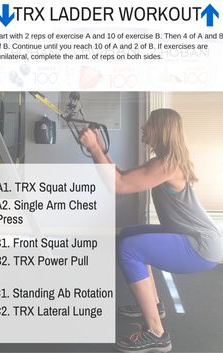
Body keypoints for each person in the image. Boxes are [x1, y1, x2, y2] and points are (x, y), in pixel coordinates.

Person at [80, 108, 223, 353]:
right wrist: (101, 150)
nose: (144, 127)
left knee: (129, 249)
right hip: (194, 237)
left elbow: (119, 185)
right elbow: (122, 176)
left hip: (201, 246)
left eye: (150, 124)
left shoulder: (168, 164)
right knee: (129, 235)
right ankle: (153, 306)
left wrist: (94, 148)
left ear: (162, 130)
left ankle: (157, 333)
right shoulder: (165, 160)